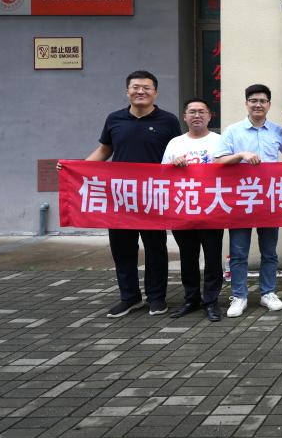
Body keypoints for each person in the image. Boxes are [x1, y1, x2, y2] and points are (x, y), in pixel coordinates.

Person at [78, 70, 181, 318]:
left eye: (146, 88)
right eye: (135, 87)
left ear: (155, 92)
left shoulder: (168, 121)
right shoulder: (114, 119)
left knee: (155, 249)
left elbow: (177, 152)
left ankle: (156, 298)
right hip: (120, 197)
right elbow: (105, 150)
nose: (140, 91)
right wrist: (77, 169)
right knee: (122, 249)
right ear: (127, 91)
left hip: (153, 196)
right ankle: (130, 297)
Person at [215, 84, 282, 318]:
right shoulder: (233, 131)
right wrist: (241, 155)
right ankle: (238, 297)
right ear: (246, 104)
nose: (258, 104)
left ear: (269, 105)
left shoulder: (277, 131)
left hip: (268, 200)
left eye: (263, 101)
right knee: (238, 252)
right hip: (240, 199)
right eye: (253, 100)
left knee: (269, 251)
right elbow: (218, 161)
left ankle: (268, 293)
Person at [161, 97, 223, 321]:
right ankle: (191, 299)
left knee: (213, 258)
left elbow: (231, 170)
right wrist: (173, 165)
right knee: (188, 257)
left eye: (201, 111)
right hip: (183, 209)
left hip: (212, 209)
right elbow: (161, 175)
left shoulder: (220, 141)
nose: (197, 115)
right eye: (192, 112)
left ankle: (211, 301)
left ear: (210, 116)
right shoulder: (175, 143)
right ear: (185, 117)